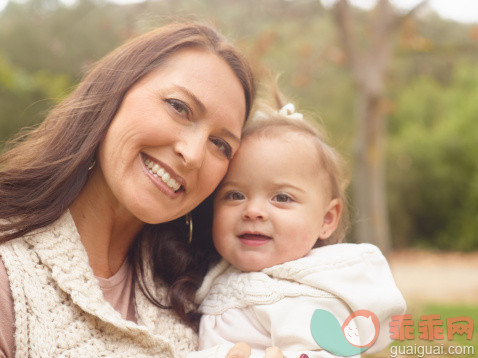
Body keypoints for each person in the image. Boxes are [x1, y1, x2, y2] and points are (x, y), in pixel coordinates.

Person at [0, 22, 259, 357]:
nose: (193, 155)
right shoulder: (12, 271)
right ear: (115, 92)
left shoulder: (207, 292)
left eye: (221, 144)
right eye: (179, 107)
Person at [190, 99, 407, 357]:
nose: (253, 211)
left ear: (326, 220)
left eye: (281, 198)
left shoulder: (310, 294)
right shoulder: (211, 273)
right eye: (235, 195)